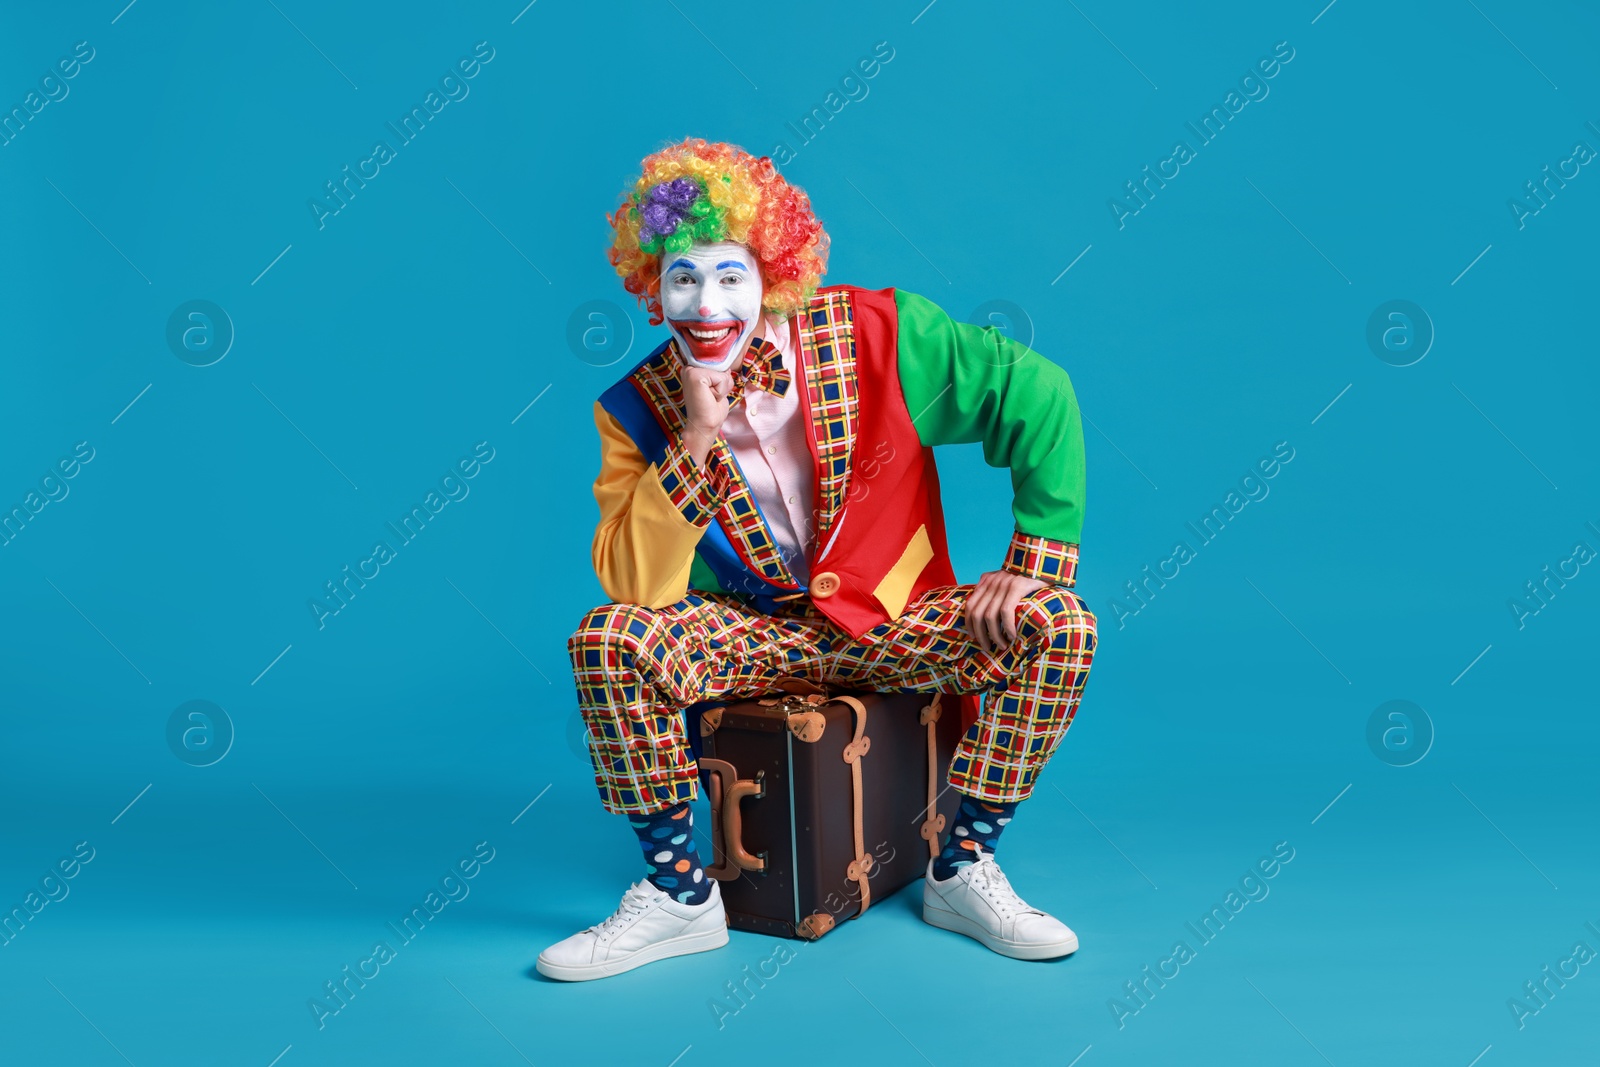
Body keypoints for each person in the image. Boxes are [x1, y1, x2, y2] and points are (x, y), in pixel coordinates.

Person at [536, 139, 1096, 981]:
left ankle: (962, 866)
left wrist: (1036, 559)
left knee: (1058, 622)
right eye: (682, 277)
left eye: (729, 274)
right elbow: (636, 583)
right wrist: (692, 436)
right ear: (653, 287)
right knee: (607, 638)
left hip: (895, 617)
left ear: (773, 270)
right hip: (752, 634)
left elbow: (1038, 390)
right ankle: (680, 895)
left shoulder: (884, 334)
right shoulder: (632, 413)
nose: (707, 302)